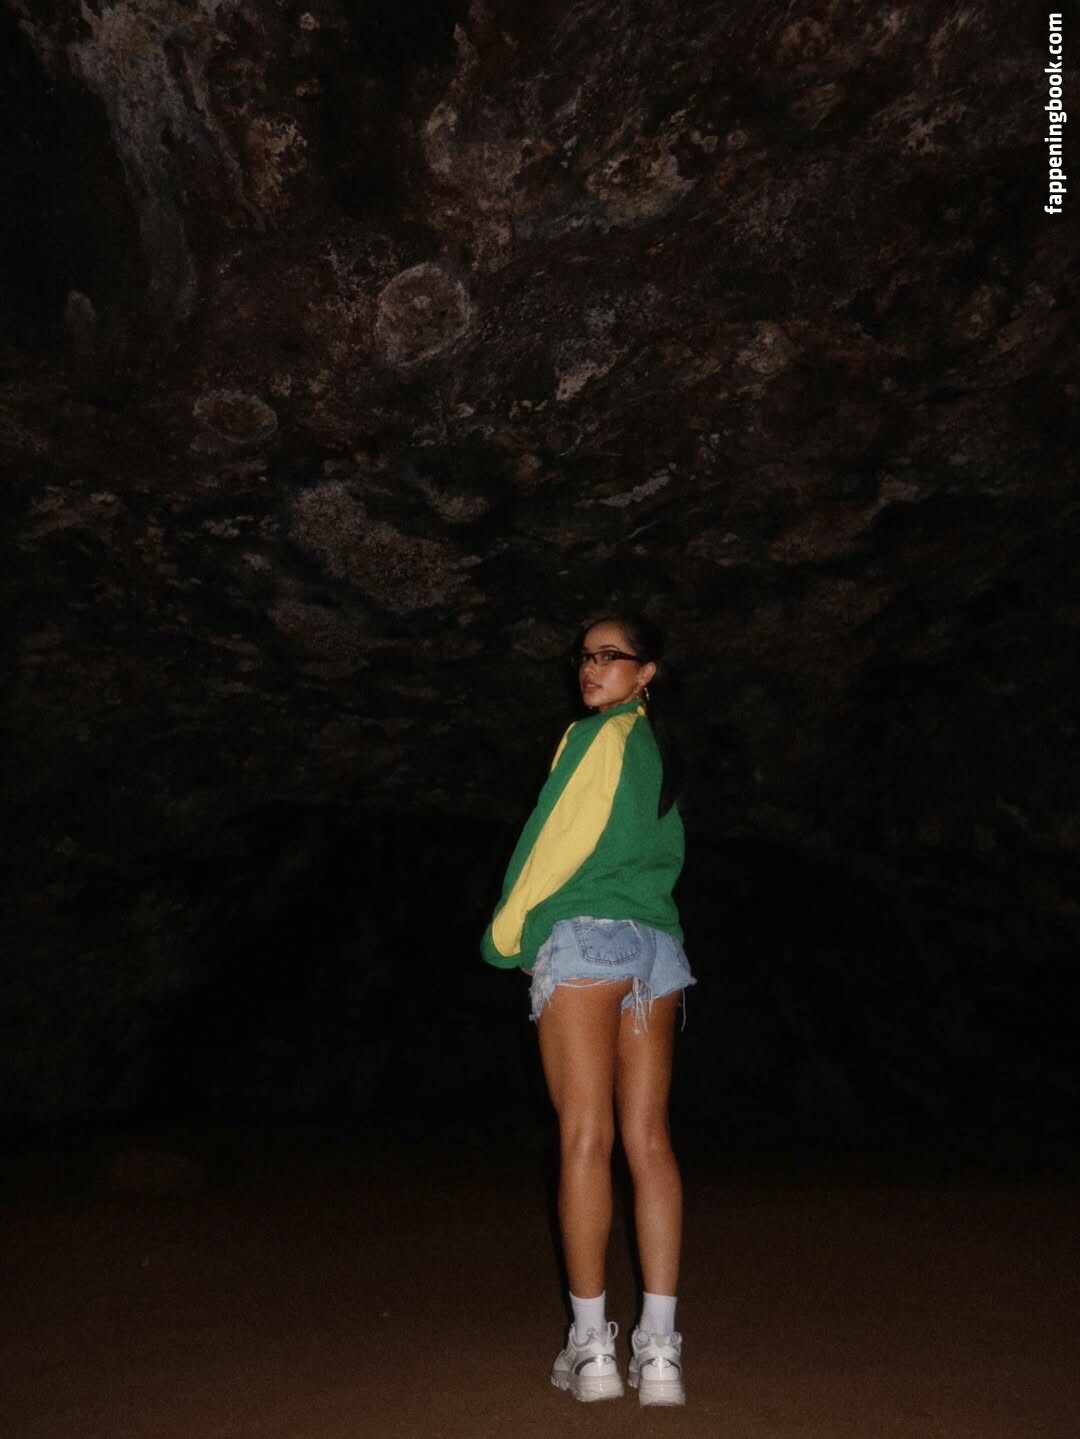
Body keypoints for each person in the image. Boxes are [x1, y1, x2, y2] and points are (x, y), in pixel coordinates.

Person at [481, 612, 695, 1407]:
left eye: (611, 656)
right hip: (656, 950)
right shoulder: (663, 753)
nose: (591, 667)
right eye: (585, 656)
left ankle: (593, 1348)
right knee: (650, 1141)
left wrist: (505, 933)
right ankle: (661, 1354)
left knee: (584, 1136)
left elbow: (553, 838)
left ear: (647, 671)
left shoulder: (593, 736)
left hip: (586, 940)